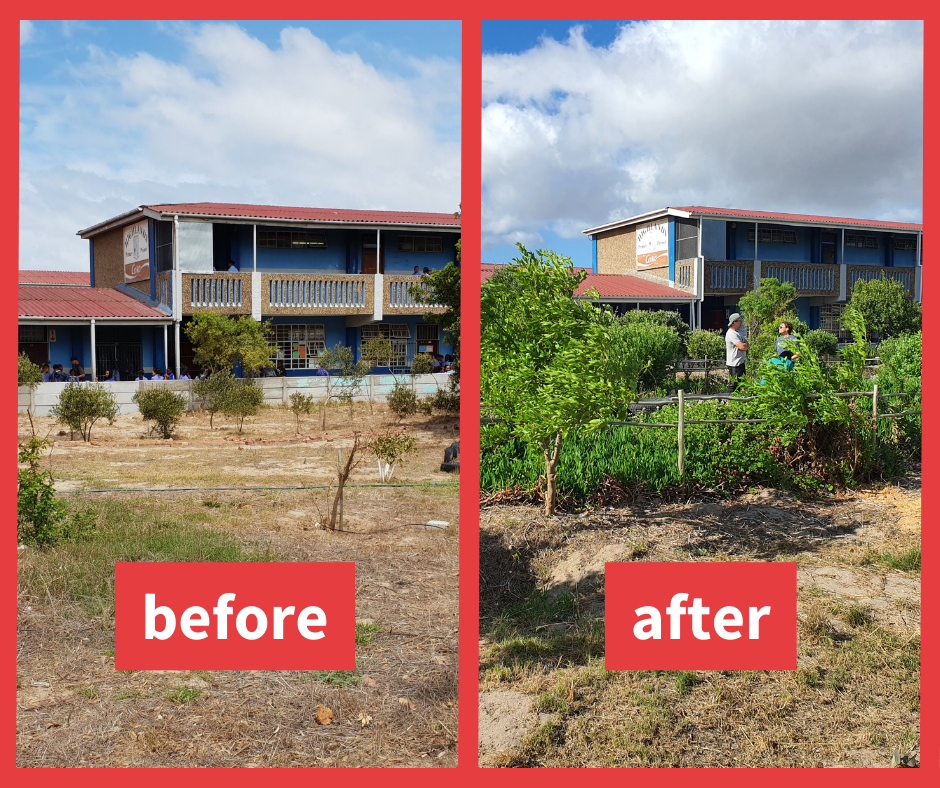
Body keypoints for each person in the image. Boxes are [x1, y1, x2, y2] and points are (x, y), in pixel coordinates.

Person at [725, 313, 749, 393]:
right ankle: (730, 401)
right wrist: (743, 346)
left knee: (740, 383)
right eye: (739, 321)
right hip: (734, 364)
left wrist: (744, 346)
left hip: (740, 362)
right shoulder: (731, 334)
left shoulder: (738, 333)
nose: (741, 322)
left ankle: (737, 400)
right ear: (734, 322)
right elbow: (742, 346)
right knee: (734, 384)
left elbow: (746, 344)